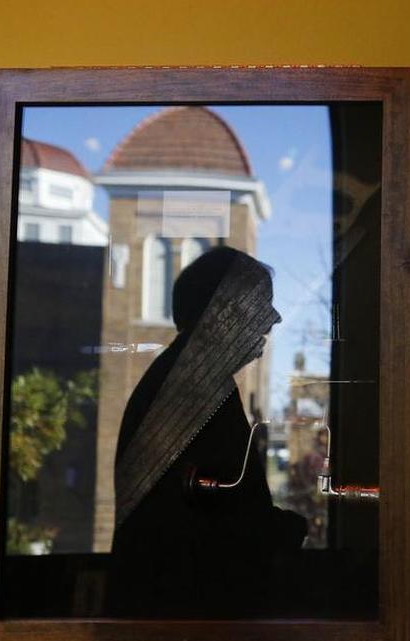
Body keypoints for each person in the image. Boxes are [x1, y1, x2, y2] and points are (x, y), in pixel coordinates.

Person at [106, 246, 306, 618]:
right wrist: (287, 530)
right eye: (260, 303)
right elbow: (221, 528)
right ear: (223, 313)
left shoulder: (187, 381)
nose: (273, 318)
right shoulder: (193, 389)